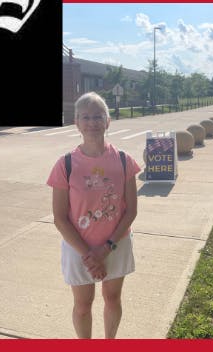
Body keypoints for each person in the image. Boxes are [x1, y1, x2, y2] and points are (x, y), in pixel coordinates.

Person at [47, 92, 141, 338]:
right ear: (77, 122)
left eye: (98, 116)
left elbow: (131, 210)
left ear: (108, 121)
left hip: (116, 244)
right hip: (78, 248)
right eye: (86, 117)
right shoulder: (65, 164)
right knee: (82, 305)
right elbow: (59, 217)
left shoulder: (123, 161)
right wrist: (89, 255)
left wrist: (106, 248)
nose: (92, 122)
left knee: (112, 298)